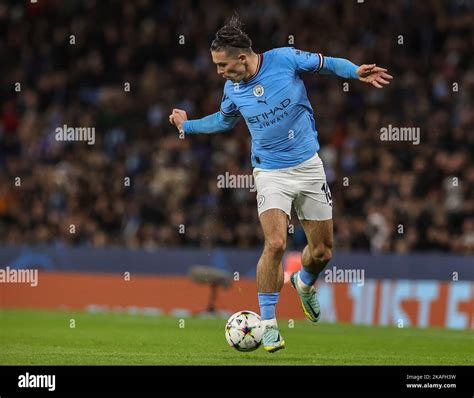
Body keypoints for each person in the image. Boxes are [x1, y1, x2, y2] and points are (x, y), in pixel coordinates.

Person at [169, 15, 392, 352]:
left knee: (322, 252)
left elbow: (326, 64)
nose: (219, 72)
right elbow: (224, 121)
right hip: (270, 172)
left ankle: (304, 284)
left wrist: (354, 71)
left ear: (242, 58)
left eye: (222, 65)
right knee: (274, 243)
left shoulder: (284, 59)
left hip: (308, 167)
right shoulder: (232, 89)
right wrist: (189, 126)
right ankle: (269, 323)